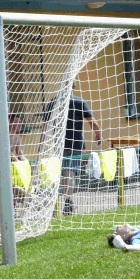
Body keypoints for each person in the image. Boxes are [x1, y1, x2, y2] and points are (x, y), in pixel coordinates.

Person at [43, 82, 102, 215]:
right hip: (76, 144)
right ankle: (68, 200)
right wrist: (98, 135)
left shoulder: (54, 101)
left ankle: (66, 200)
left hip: (60, 144)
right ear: (74, 87)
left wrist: (42, 143)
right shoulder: (79, 101)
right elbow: (92, 122)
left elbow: (45, 125)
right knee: (70, 173)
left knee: (65, 173)